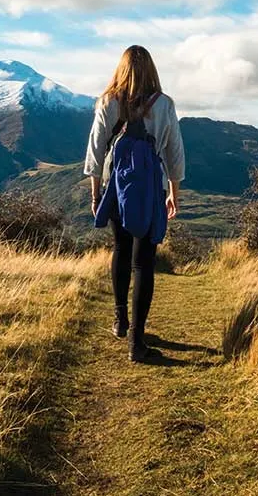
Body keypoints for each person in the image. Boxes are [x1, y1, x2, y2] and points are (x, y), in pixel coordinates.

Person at [84, 45, 186, 362]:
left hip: (117, 187)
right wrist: (173, 192)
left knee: (120, 249)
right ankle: (137, 342)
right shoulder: (164, 104)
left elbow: (95, 150)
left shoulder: (107, 101)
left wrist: (96, 193)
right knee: (143, 261)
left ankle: (120, 320)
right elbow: (174, 152)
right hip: (149, 189)